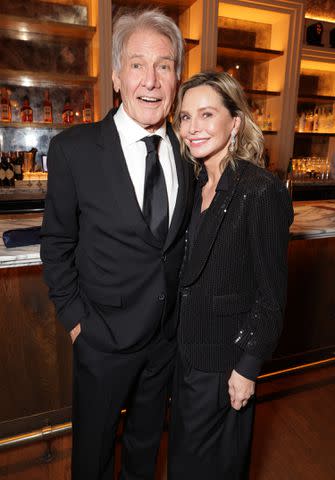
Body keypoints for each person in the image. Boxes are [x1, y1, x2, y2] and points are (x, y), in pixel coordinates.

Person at [40, 9, 194, 480]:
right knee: (93, 457)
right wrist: (77, 324)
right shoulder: (75, 150)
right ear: (115, 76)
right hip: (101, 340)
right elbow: (56, 244)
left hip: (164, 342)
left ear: (177, 78)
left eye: (164, 65)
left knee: (146, 453)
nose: (151, 80)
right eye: (137, 64)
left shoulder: (191, 152)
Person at [168, 71, 294, 479]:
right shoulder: (197, 182)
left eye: (207, 114)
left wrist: (247, 368)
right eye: (185, 117)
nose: (193, 128)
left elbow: (271, 294)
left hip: (226, 364)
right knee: (186, 464)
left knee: (217, 469)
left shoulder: (259, 190)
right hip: (188, 355)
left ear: (235, 122)